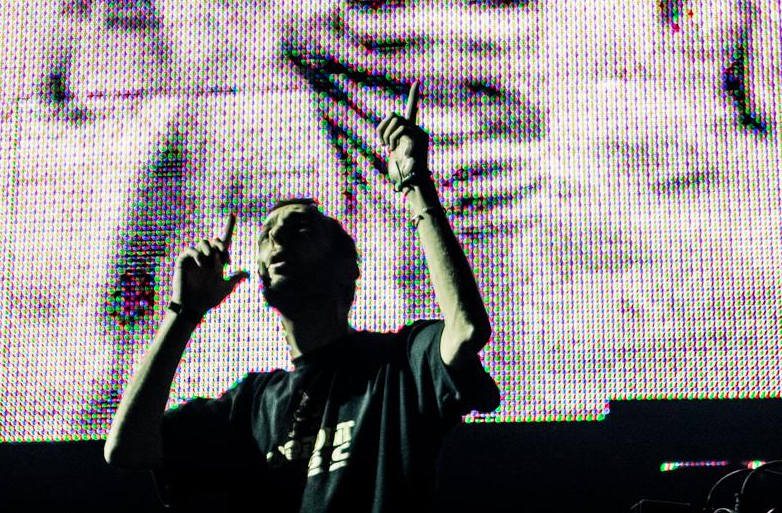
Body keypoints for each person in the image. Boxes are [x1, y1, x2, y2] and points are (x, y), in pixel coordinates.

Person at [103, 86, 500, 511]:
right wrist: (184, 312)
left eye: (300, 229)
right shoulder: (253, 404)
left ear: (346, 268)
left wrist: (416, 186)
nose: (277, 239)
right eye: (267, 234)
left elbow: (466, 328)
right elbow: (127, 447)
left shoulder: (399, 363)